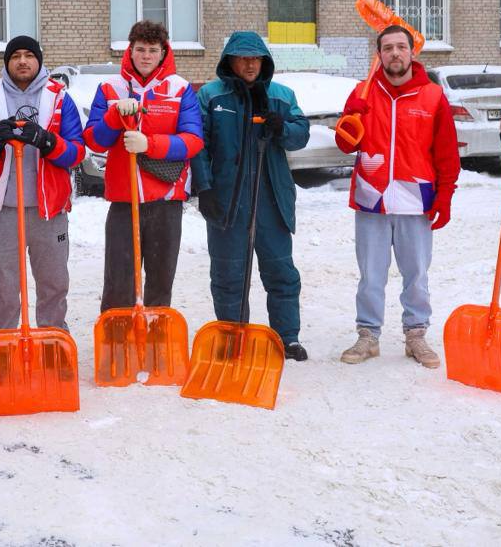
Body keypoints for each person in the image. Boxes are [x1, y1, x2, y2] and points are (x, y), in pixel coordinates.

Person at [334, 25, 460, 369]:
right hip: (372, 197)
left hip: (416, 197)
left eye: (400, 47)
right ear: (380, 55)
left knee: (416, 272)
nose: (394, 53)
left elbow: (447, 153)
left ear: (412, 53)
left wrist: (445, 196)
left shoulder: (433, 96)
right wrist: (352, 116)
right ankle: (368, 336)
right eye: (387, 48)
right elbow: (346, 145)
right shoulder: (362, 91)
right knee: (370, 273)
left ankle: (416, 334)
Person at [191, 31, 311, 360]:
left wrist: (281, 128)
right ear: (229, 60)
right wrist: (204, 188)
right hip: (227, 201)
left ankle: (286, 337)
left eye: (256, 58)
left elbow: (301, 134)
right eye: (243, 58)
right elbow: (197, 144)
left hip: (271, 198)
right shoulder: (212, 97)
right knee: (229, 273)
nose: (249, 64)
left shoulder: (281, 95)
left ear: (265, 61)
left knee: (281, 271)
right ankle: (233, 335)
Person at [0, 35, 85, 333]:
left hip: (48, 209)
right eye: (16, 56)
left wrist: (49, 141)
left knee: (54, 284)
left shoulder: (59, 97)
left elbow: (77, 151)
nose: (23, 61)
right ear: (8, 62)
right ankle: (1, 351)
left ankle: (53, 346)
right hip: (4, 209)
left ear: (39, 60)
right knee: (4, 289)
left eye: (29, 55)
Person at [84, 20, 203, 312]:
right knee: (118, 281)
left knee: (161, 279)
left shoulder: (180, 88)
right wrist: (114, 116)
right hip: (124, 200)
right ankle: (118, 342)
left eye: (153, 50)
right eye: (140, 49)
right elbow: (95, 140)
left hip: (165, 199)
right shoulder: (110, 88)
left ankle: (155, 339)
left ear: (163, 53)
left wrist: (150, 144)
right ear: (130, 51)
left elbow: (192, 140)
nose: (146, 56)